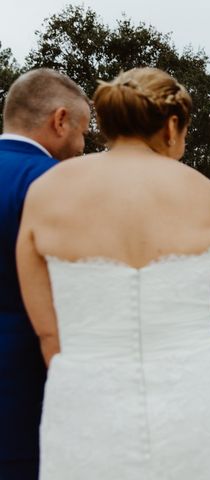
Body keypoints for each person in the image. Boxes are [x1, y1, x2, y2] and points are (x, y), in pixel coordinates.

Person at [16, 68, 210, 479]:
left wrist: (82, 383)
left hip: (85, 395)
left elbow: (48, 331)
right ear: (172, 124)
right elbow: (208, 315)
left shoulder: (48, 189)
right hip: (195, 396)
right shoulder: (206, 194)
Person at [0, 68, 89, 480]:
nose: (82, 145)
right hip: (25, 379)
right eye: (83, 130)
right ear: (59, 120)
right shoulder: (53, 183)